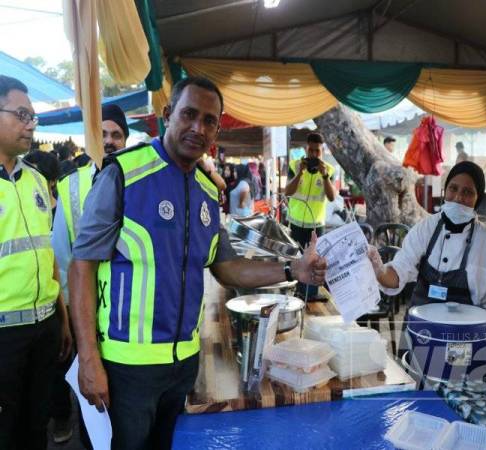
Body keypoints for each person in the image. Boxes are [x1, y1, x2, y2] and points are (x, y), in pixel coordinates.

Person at [68, 76, 326, 450]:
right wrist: (88, 357)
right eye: (189, 114)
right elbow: (82, 267)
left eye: (209, 120)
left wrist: (292, 270)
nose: (198, 127)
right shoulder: (123, 174)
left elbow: (225, 267)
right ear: (167, 114)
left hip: (184, 365)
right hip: (125, 367)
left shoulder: (207, 193)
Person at [49, 103, 130, 444]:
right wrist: (71, 320)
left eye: (117, 135)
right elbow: (63, 257)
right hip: (87, 318)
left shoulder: (136, 179)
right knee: (92, 410)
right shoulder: (71, 186)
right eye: (103, 134)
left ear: (126, 140)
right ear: (91, 138)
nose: (109, 141)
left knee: (124, 409)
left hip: (125, 320)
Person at [0, 75, 72, 450]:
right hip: (4, 337)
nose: (31, 124)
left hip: (44, 326)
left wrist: (61, 319)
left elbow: (49, 257)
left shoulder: (37, 180)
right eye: (22, 114)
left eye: (33, 117)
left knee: (35, 426)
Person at [368, 161, 486, 316]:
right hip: (421, 326)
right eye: (453, 188)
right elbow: (397, 274)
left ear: (478, 199)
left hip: (462, 333)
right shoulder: (426, 228)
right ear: (445, 191)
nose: (458, 197)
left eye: (467, 192)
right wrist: (379, 270)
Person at [284, 132, 337, 301]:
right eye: (311, 151)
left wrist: (324, 176)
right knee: (296, 259)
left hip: (315, 226)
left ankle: (312, 296)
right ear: (306, 149)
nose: (313, 155)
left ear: (322, 151)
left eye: (317, 152)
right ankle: (296, 294)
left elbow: (332, 197)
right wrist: (300, 173)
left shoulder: (329, 170)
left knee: (314, 261)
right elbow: (288, 191)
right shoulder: (295, 165)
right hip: (295, 224)